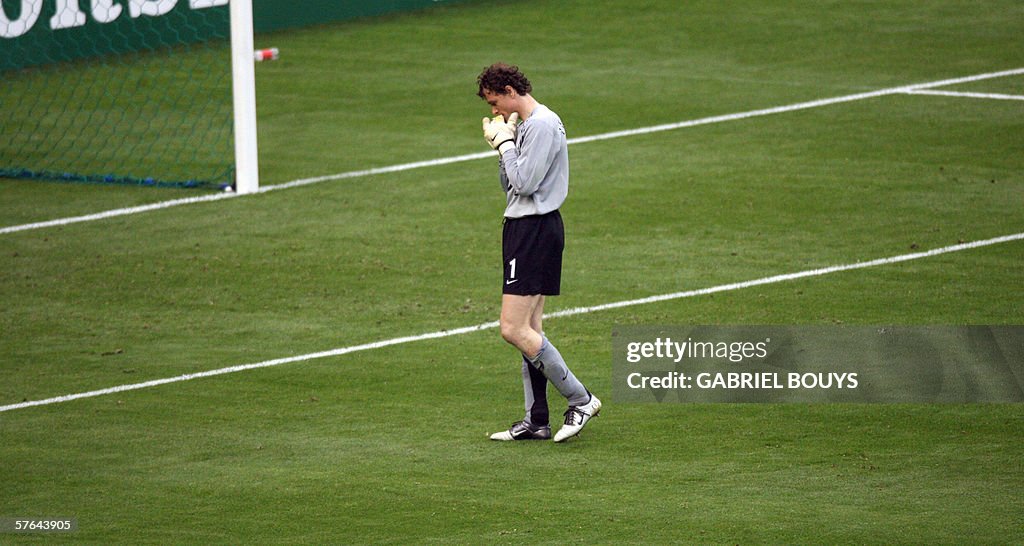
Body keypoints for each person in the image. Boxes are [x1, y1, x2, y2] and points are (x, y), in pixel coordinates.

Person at [477, 62, 600, 442]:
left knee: (512, 329)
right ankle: (537, 420)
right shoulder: (527, 126)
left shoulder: (543, 124)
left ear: (511, 89)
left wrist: (506, 145)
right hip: (524, 227)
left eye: (495, 102)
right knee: (530, 330)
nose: (494, 111)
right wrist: (506, 145)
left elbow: (526, 183)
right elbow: (509, 182)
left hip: (534, 229)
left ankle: (581, 399)